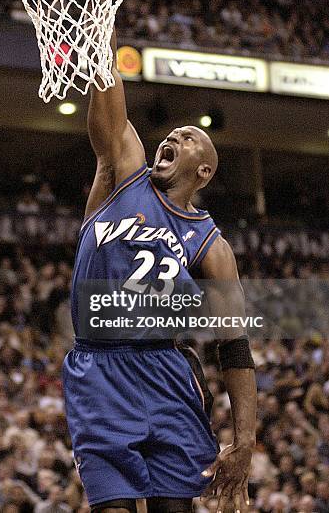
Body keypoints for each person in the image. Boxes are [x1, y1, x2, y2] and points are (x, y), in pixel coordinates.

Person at [63, 27, 257, 513]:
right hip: (99, 371)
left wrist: (245, 440)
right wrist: (100, 19)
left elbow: (234, 346)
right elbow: (107, 92)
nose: (173, 136)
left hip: (166, 375)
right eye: (172, 134)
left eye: (188, 138)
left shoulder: (212, 247)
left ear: (204, 171)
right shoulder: (119, 175)